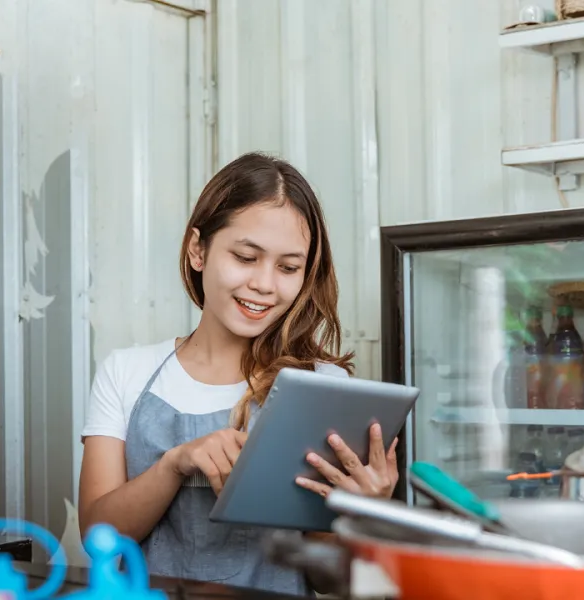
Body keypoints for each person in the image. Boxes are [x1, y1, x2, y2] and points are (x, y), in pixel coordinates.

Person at [78, 152, 399, 596]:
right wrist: (174, 464)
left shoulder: (321, 387)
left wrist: (363, 516)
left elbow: (330, 581)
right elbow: (98, 535)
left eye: (288, 267)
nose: (265, 284)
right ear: (198, 249)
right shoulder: (126, 372)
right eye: (247, 257)